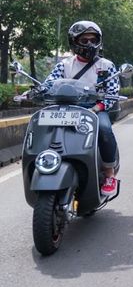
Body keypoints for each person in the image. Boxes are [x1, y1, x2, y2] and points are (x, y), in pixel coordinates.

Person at [43, 21, 121, 196]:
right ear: (74, 42)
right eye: (84, 40)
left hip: (94, 109)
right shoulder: (64, 65)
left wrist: (97, 108)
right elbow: (49, 84)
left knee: (104, 129)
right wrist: (35, 91)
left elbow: (112, 93)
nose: (90, 44)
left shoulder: (107, 65)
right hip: (65, 109)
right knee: (43, 127)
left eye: (93, 40)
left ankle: (109, 173)